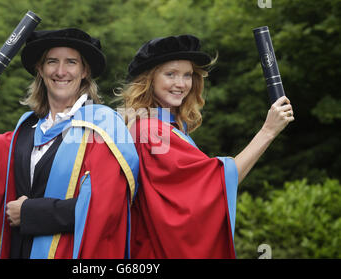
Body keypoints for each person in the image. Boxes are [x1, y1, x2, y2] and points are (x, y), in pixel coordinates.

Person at [0, 28, 138, 259]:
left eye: (71, 62)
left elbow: (108, 206)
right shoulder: (24, 132)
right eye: (52, 62)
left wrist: (30, 213)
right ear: (40, 69)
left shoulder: (103, 128)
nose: (61, 71)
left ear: (84, 71)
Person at [118, 34, 294, 258]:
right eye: (170, 74)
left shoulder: (160, 126)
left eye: (187, 75)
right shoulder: (152, 132)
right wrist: (268, 131)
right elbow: (216, 184)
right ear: (149, 79)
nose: (181, 84)